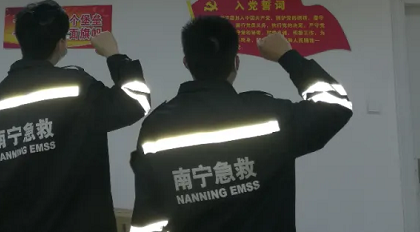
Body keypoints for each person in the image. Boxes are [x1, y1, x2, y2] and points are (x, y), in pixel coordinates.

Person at [130, 18, 353, 232]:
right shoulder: (272, 116)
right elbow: (336, 104)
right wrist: (287, 55)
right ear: (236, 62)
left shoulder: (156, 128)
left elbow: (148, 221)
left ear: (186, 62)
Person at [0, 0, 151, 232]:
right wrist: (114, 55)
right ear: (61, 44)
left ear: (21, 42)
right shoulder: (78, 89)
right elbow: (137, 101)